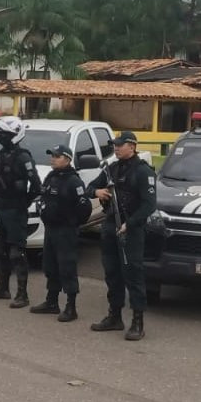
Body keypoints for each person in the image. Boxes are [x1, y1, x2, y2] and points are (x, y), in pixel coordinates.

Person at [88, 131, 157, 341]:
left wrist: (130, 223)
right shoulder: (111, 169)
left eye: (120, 145)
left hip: (131, 229)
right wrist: (97, 192)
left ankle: (137, 321)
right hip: (110, 226)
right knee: (112, 273)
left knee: (133, 275)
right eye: (114, 145)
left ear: (132, 146)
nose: (116, 148)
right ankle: (114, 316)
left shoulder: (143, 172)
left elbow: (149, 205)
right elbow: (90, 187)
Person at [0, 116, 41, 309]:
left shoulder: (23, 157)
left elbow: (36, 186)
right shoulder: (1, 155)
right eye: (0, 134)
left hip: (16, 210)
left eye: (5, 134)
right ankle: (3, 288)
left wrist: (22, 202)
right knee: (0, 250)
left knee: (17, 253)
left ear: (15, 135)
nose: (1, 138)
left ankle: (22, 294)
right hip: (1, 207)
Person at [31, 145, 91, 323]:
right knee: (50, 265)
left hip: (66, 231)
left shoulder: (74, 181)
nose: (53, 159)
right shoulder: (51, 177)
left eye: (57, 156)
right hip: (51, 229)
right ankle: (51, 302)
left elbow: (84, 208)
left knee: (67, 267)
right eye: (52, 156)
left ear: (67, 159)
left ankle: (71, 307)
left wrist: (72, 222)